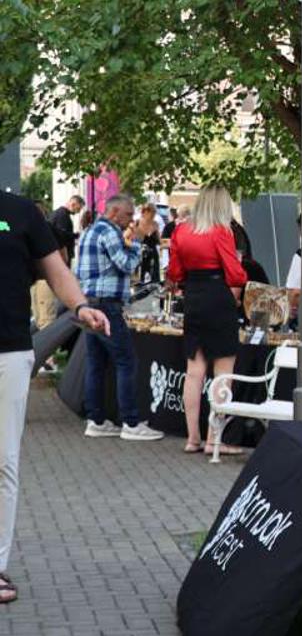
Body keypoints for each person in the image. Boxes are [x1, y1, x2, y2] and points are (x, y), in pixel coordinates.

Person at [0, 190, 109, 604]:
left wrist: (80, 307)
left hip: (9, 353)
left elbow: (56, 270)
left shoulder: (20, 212)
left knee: (3, 462)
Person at [75, 194, 164, 441]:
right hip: (107, 305)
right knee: (126, 361)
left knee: (96, 363)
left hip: (90, 302)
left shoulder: (89, 231)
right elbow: (126, 265)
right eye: (128, 214)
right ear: (114, 212)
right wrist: (136, 243)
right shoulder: (110, 232)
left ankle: (96, 420)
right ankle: (131, 423)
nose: (130, 219)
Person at [167, 187, 248, 455]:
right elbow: (235, 274)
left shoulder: (181, 230)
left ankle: (193, 438)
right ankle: (214, 439)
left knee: (194, 372)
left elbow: (174, 272)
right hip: (218, 298)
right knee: (223, 373)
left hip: (193, 297)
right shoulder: (221, 231)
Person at [136, 203, 162, 286]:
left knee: (154, 279)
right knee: (141, 278)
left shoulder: (155, 224)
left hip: (153, 254)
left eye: (155, 212)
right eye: (153, 212)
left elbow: (159, 241)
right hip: (141, 253)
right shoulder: (137, 223)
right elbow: (131, 239)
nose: (154, 215)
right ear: (146, 212)